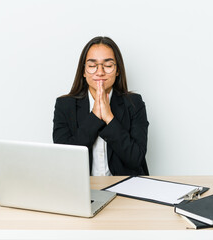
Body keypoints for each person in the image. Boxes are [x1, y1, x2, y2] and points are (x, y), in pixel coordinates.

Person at [53, 36, 149, 176]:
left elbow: (136, 159)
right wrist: (95, 117)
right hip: (82, 187)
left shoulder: (134, 103)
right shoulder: (64, 105)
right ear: (83, 72)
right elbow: (65, 159)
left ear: (117, 71)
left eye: (108, 65)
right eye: (92, 66)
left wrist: (109, 117)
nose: (100, 72)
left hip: (125, 187)